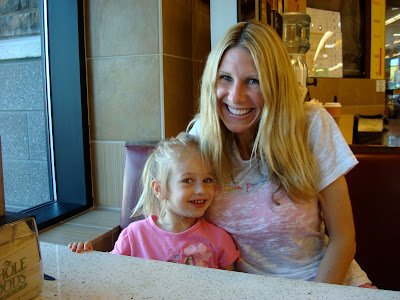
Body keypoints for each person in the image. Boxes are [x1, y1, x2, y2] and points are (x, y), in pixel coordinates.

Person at [188, 21, 376, 288]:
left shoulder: (312, 125)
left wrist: (316, 296)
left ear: (275, 86)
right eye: (225, 78)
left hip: (324, 282)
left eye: (253, 81)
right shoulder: (202, 136)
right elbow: (172, 220)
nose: (235, 96)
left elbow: (344, 237)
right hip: (244, 290)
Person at [69, 132, 239, 270]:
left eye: (207, 180)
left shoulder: (219, 240)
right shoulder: (134, 236)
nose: (201, 190)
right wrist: (88, 257)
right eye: (187, 180)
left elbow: (231, 290)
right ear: (159, 189)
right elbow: (111, 274)